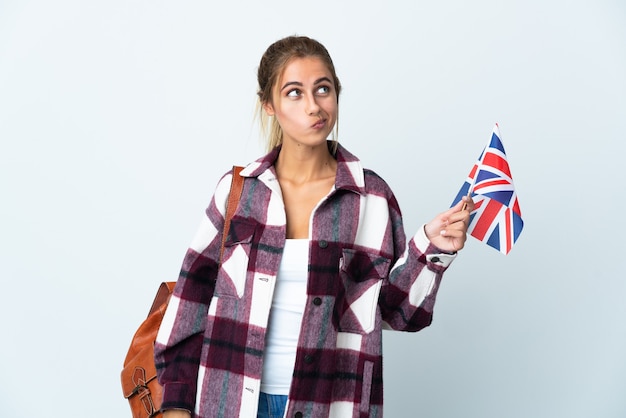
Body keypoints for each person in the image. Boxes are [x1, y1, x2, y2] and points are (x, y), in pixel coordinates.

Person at [154, 35, 474, 418]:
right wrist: (174, 404)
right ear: (268, 105)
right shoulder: (239, 193)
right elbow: (191, 298)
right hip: (230, 403)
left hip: (331, 406)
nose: (313, 106)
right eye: (294, 92)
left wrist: (431, 250)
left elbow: (398, 315)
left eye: (323, 89)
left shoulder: (371, 198)